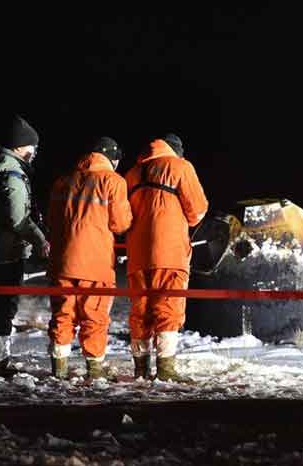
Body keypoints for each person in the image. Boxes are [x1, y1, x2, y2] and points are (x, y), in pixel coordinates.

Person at [0, 115, 50, 377]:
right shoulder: (13, 175)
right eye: (32, 147)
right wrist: (40, 239)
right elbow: (18, 220)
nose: (34, 152)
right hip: (6, 253)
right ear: (18, 146)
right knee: (4, 309)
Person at [46, 137, 132, 380]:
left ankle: (59, 370)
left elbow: (52, 220)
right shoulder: (113, 181)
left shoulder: (62, 181)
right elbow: (120, 223)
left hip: (62, 262)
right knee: (94, 317)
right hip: (95, 263)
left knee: (62, 316)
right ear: (112, 158)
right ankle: (94, 371)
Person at [125, 133, 208, 381]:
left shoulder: (131, 174)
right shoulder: (180, 166)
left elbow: (123, 217)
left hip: (137, 254)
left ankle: (141, 368)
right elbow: (197, 210)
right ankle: (166, 369)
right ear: (177, 151)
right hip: (169, 251)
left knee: (140, 310)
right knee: (168, 307)